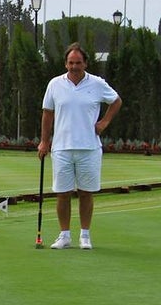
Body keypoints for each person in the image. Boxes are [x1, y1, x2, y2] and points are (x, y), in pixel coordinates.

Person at [37, 42, 122, 250]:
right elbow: (47, 114)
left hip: (89, 147)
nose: (74, 66)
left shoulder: (97, 83)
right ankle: (64, 235)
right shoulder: (55, 84)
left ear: (85, 63)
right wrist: (44, 141)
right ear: (66, 63)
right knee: (62, 193)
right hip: (62, 147)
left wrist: (104, 122)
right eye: (70, 62)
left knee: (86, 192)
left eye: (78, 62)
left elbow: (116, 101)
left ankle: (85, 235)